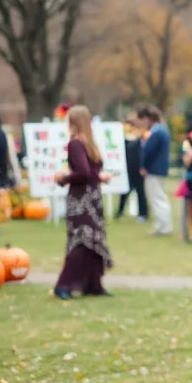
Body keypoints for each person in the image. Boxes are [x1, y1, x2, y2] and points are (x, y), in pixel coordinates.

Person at [53, 106, 113, 299]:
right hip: (92, 197)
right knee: (89, 239)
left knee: (83, 240)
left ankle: (79, 284)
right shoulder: (89, 144)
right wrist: (99, 177)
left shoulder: (76, 144)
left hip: (81, 199)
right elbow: (89, 172)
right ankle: (84, 283)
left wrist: (63, 178)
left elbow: (83, 173)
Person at [137, 105, 173, 236]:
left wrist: (143, 166)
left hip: (154, 169)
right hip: (160, 169)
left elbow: (148, 151)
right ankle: (164, 225)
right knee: (160, 197)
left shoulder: (156, 132)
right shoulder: (163, 130)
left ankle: (163, 226)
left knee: (157, 198)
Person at [115, 115, 148, 222]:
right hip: (127, 169)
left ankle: (143, 214)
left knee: (140, 192)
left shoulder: (140, 138)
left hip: (138, 169)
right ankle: (119, 212)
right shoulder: (123, 138)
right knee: (124, 191)